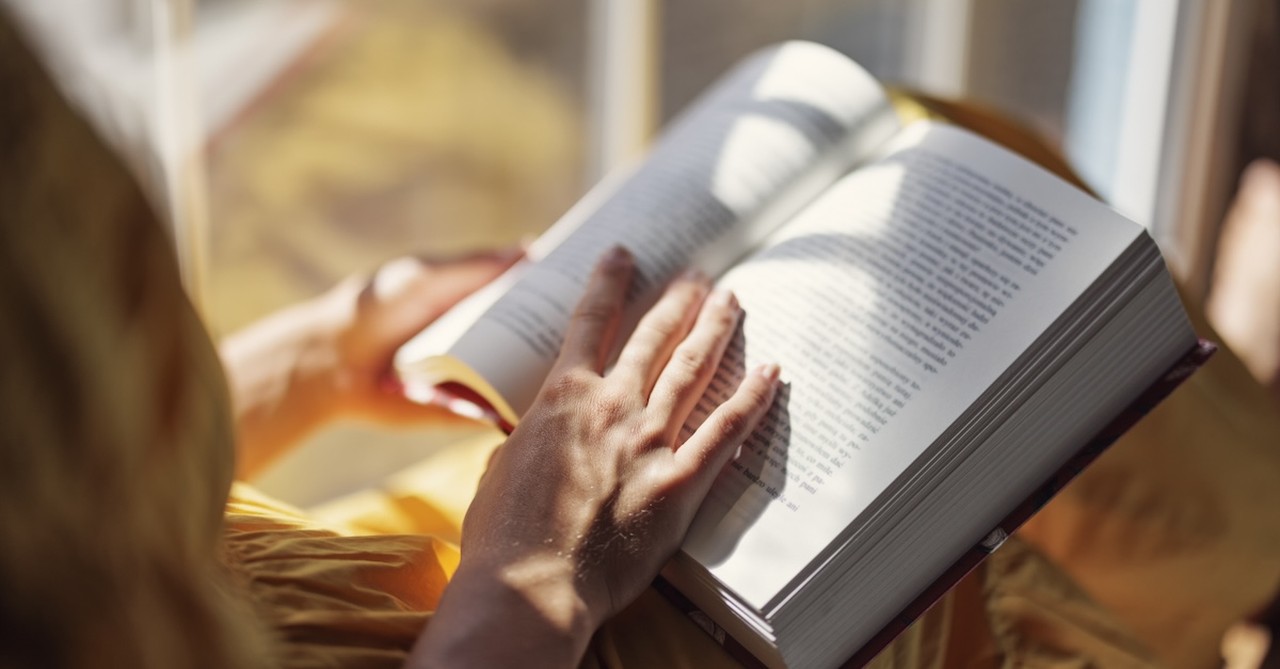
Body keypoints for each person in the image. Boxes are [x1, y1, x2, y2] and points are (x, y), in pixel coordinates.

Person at [4, 9, 1280, 668]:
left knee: (925, 140)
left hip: (368, 569)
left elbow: (51, 492)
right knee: (947, 548)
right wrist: (535, 585)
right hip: (504, 626)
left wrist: (309, 362)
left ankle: (1227, 469)